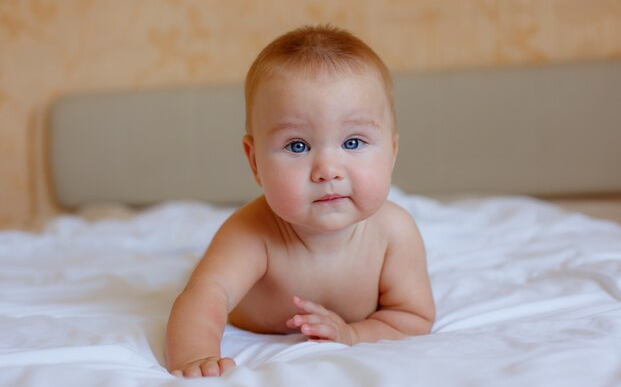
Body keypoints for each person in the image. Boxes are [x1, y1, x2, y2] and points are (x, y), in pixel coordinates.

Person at [165, 24, 435, 378]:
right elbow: (204, 297)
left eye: (353, 143)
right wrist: (194, 356)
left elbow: (412, 318)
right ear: (255, 162)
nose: (327, 171)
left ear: (393, 152)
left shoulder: (394, 234)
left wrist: (353, 334)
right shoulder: (250, 233)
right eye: (297, 146)